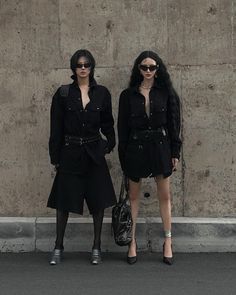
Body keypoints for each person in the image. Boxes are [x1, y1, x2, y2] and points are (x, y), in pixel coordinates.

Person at [47, 49, 116, 265]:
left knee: (98, 202)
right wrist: (55, 157)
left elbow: (108, 124)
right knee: (63, 202)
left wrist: (108, 145)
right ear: (74, 68)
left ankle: (96, 247)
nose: (83, 68)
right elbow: (56, 128)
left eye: (87, 64)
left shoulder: (102, 93)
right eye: (79, 65)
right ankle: (58, 246)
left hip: (94, 154)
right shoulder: (63, 93)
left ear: (92, 67)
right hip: (70, 153)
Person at [117, 50, 181, 265]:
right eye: (144, 67)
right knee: (133, 198)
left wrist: (175, 152)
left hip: (161, 147)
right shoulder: (127, 96)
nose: (148, 71)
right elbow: (122, 129)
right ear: (138, 68)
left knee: (165, 196)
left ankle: (168, 242)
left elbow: (174, 126)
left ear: (158, 69)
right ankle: (132, 242)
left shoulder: (167, 93)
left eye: (152, 67)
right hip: (135, 148)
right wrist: (123, 157)